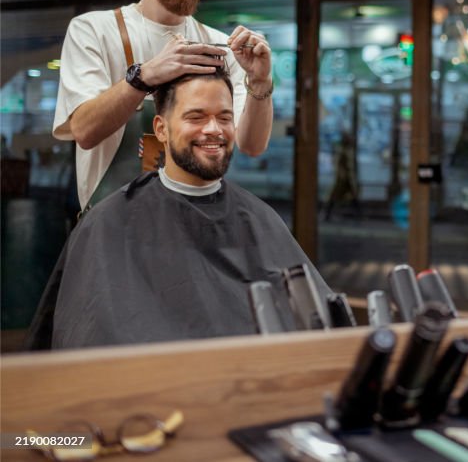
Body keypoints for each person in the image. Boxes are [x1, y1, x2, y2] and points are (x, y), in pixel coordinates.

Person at [28, 70, 329, 349]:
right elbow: (91, 340)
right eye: (196, 117)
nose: (213, 130)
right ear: (161, 129)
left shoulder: (260, 218)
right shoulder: (108, 223)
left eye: (225, 118)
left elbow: (317, 329)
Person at [53, 0, 274, 211]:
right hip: (112, 228)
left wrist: (261, 81)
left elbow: (251, 145)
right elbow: (84, 131)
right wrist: (144, 76)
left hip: (194, 221)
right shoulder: (95, 30)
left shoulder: (220, 48)